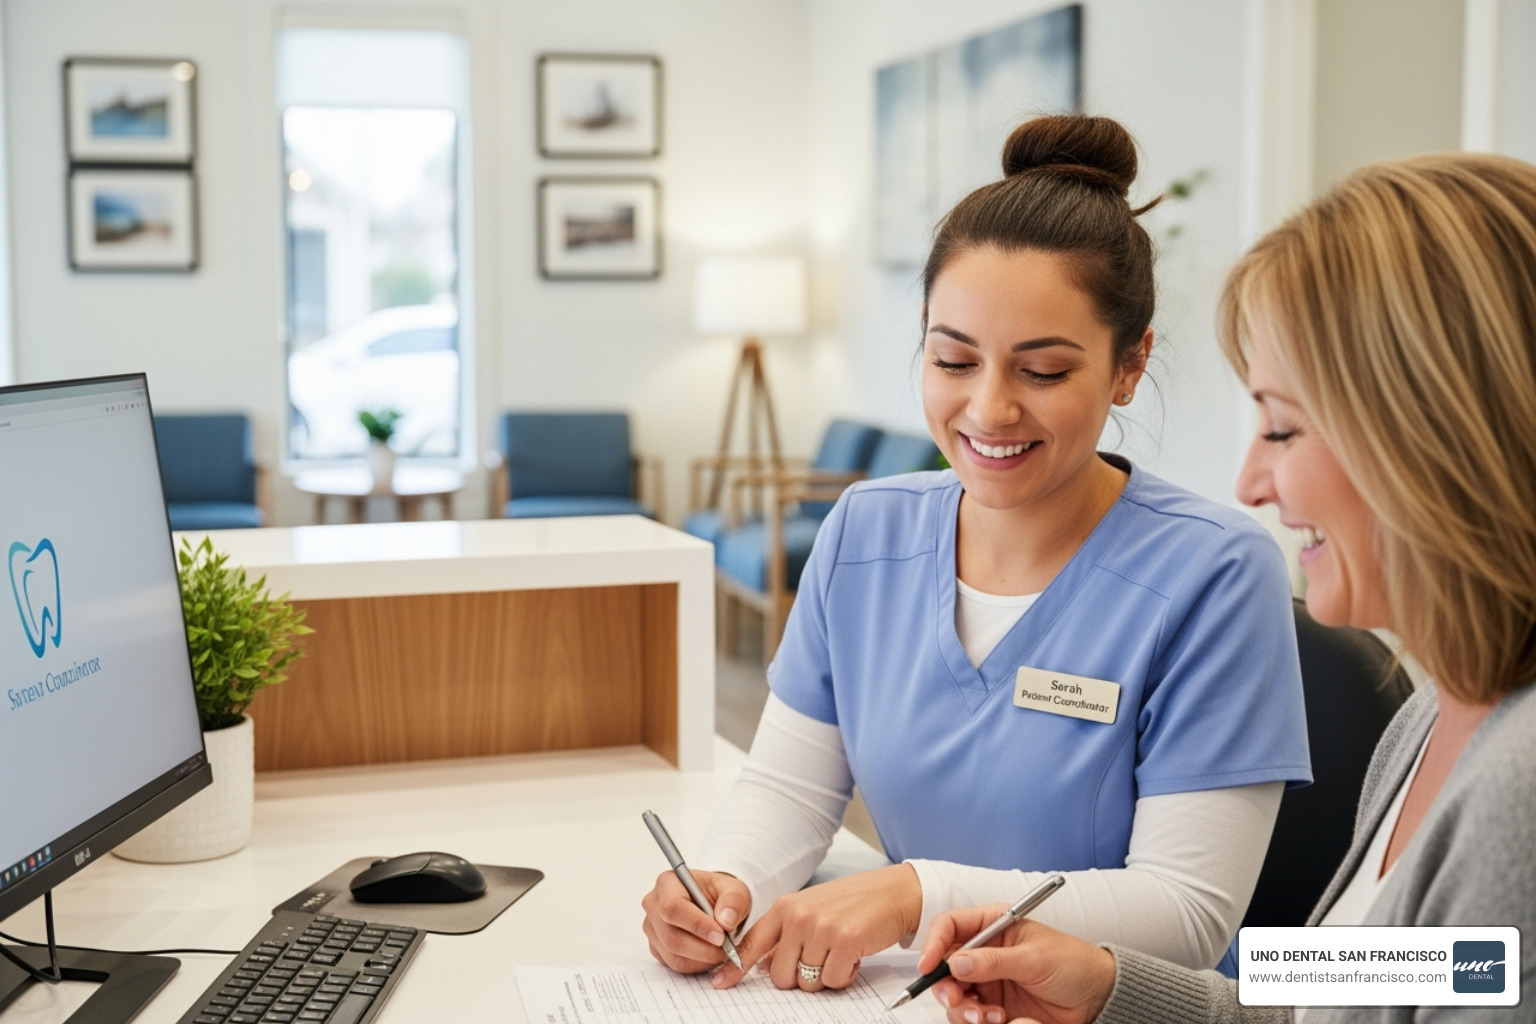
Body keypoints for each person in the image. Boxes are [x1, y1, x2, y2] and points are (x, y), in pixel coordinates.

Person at [641, 114, 1311, 991]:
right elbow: (791, 791)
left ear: (1128, 365)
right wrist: (724, 884)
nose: (989, 411)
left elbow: (1186, 915)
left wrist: (917, 893)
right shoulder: (865, 532)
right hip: (929, 997)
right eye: (953, 359)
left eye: (1042, 373)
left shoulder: (1213, 571)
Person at [918, 151, 1536, 1024]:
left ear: (1435, 437)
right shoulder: (1433, 714)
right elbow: (1416, 982)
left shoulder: (1521, 793)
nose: (1249, 481)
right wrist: (1112, 988)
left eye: (1282, 427)